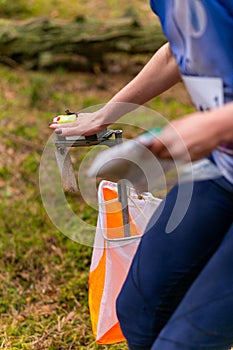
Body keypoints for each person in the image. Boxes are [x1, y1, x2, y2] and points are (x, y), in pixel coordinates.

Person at [50, 1, 233, 349]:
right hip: (225, 170)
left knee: (184, 342)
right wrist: (105, 115)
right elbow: (177, 52)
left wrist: (214, 125)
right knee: (139, 312)